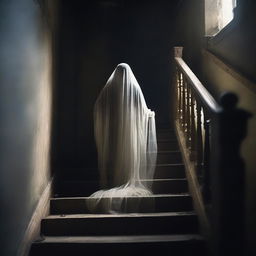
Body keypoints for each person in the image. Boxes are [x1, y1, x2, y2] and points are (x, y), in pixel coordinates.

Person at [87, 63, 157, 213]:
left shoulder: (110, 89)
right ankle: (123, 179)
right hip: (130, 140)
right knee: (127, 158)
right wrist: (150, 115)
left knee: (115, 158)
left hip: (114, 136)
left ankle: (113, 181)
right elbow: (143, 111)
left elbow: (98, 106)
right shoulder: (135, 89)